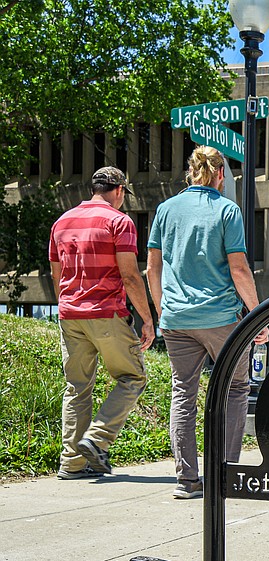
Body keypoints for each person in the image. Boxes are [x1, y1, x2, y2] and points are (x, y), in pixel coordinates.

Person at [147, 146, 269, 500]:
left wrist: (161, 311)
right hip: (220, 318)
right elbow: (239, 268)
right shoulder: (227, 210)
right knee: (234, 388)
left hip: (175, 319)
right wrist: (257, 314)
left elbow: (152, 268)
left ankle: (187, 481)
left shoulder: (166, 209)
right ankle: (226, 475)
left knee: (183, 392)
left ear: (191, 172)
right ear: (219, 175)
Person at [49, 166, 155, 479]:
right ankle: (96, 439)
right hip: (106, 311)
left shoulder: (62, 222)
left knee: (77, 388)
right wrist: (147, 319)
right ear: (120, 190)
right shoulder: (119, 221)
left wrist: (68, 305)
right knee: (133, 377)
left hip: (70, 314)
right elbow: (130, 275)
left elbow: (58, 274)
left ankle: (72, 463)